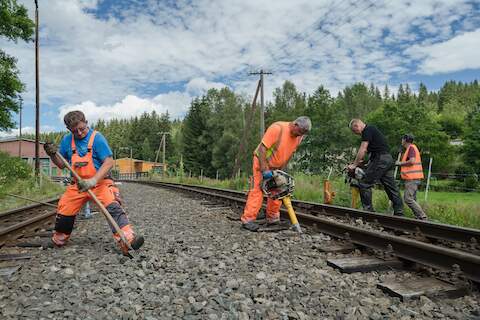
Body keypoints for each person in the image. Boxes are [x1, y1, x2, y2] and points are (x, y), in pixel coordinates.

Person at [43, 110, 144, 255]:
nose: (79, 133)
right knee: (65, 209)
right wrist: (52, 154)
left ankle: (128, 240)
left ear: (86, 122)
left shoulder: (97, 138)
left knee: (113, 206)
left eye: (82, 128)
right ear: (68, 129)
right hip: (77, 185)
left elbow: (109, 162)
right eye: (74, 130)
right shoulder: (67, 141)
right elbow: (61, 164)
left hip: (100, 183)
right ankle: (59, 239)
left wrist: (93, 180)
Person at [241, 116, 312, 231]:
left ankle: (272, 218)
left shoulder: (299, 137)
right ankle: (248, 220)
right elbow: (262, 149)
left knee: (277, 191)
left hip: (277, 167)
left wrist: (282, 170)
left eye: (302, 134)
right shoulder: (277, 128)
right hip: (261, 163)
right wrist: (264, 170)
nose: (299, 135)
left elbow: (289, 153)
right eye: (299, 132)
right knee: (257, 190)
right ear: (295, 124)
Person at [347, 119, 404, 216]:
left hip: (380, 159)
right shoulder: (372, 130)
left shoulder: (367, 130)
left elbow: (363, 149)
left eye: (354, 131)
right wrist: (362, 162)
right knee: (391, 187)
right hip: (388, 159)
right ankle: (399, 212)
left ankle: (368, 212)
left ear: (357, 126)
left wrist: (354, 164)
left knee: (364, 183)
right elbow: (374, 151)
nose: (356, 134)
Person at [396, 134, 427, 220]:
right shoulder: (411, 148)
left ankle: (422, 216)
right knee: (413, 198)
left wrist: (400, 163)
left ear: (405, 140)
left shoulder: (411, 148)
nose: (401, 141)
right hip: (413, 178)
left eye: (402, 139)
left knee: (408, 199)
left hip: (412, 178)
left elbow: (412, 161)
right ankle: (418, 217)